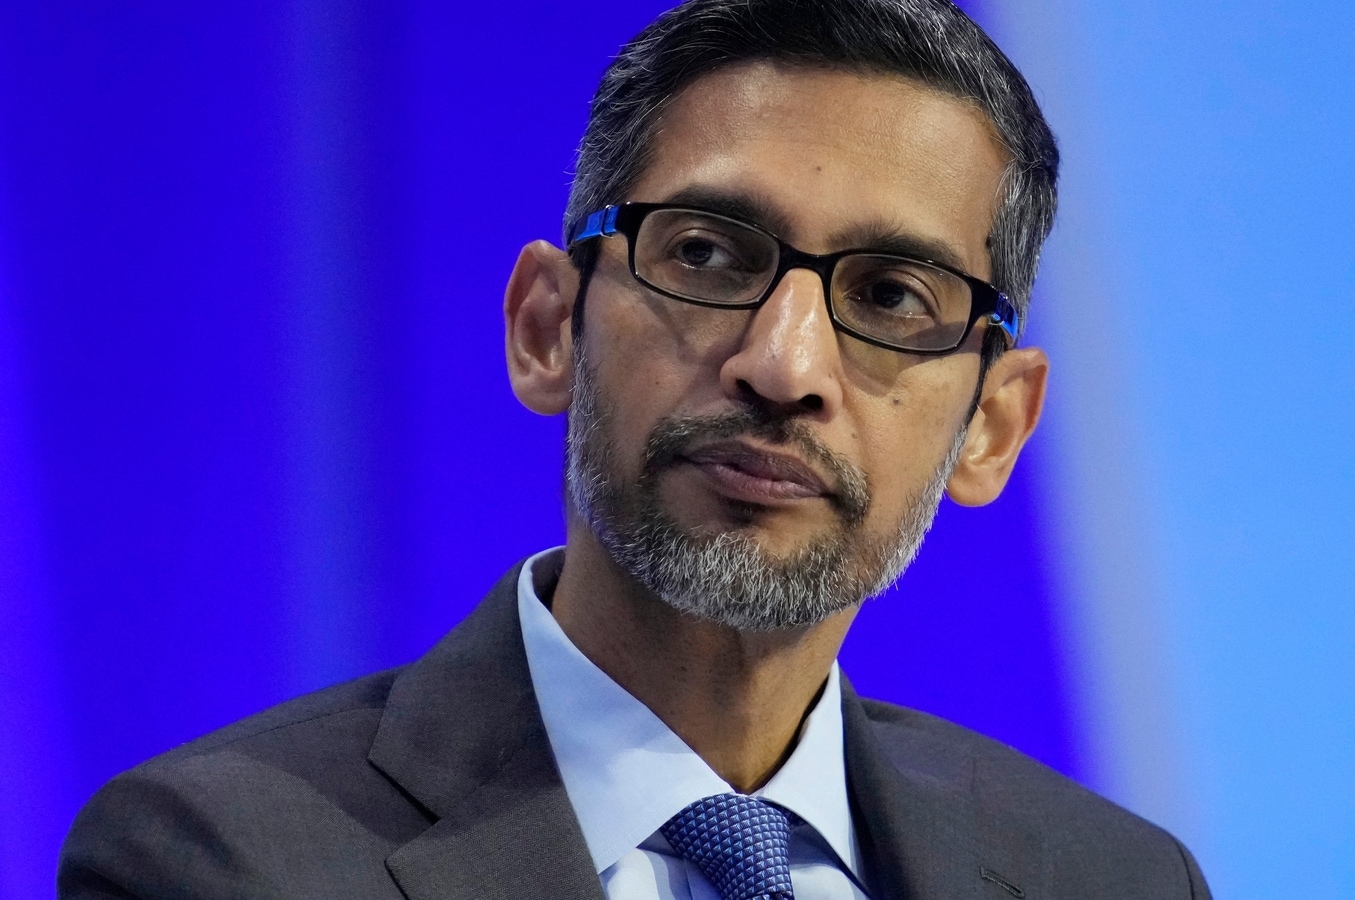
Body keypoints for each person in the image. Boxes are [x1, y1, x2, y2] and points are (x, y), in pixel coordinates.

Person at [59, 1, 1210, 897]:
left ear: (993, 426)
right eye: (707, 255)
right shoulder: (223, 860)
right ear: (547, 328)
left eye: (891, 295)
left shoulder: (1114, 880)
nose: (784, 365)